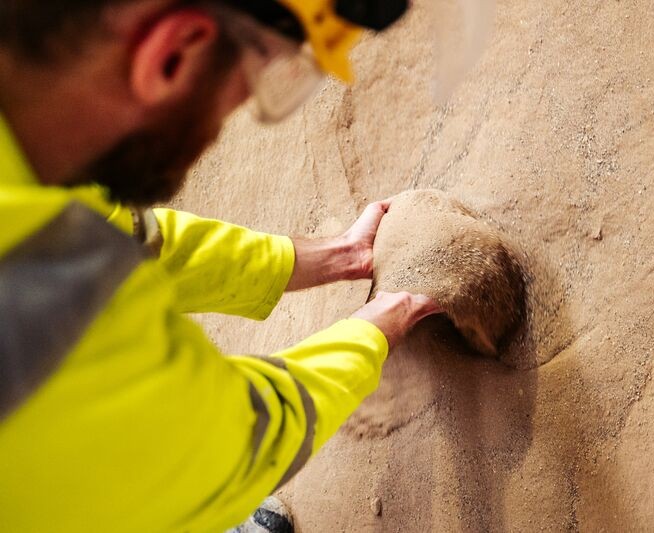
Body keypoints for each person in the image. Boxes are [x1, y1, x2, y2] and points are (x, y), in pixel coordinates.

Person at [0, 1, 442, 531]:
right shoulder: (34, 317)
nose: (224, 120)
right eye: (257, 81)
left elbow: (128, 236)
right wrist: (377, 329)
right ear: (173, 54)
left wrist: (331, 256)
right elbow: (239, 441)